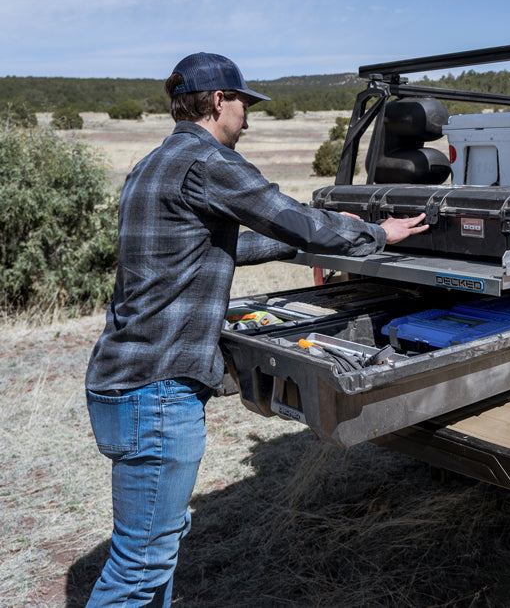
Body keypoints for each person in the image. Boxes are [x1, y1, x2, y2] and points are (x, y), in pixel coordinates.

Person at [83, 52, 427, 606]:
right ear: (219, 101)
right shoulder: (206, 160)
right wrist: (375, 234)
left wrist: (306, 240)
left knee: (156, 546)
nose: (249, 116)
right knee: (139, 567)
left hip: (121, 380)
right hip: (158, 392)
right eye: (244, 103)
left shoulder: (153, 163)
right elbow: (292, 214)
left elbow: (219, 246)